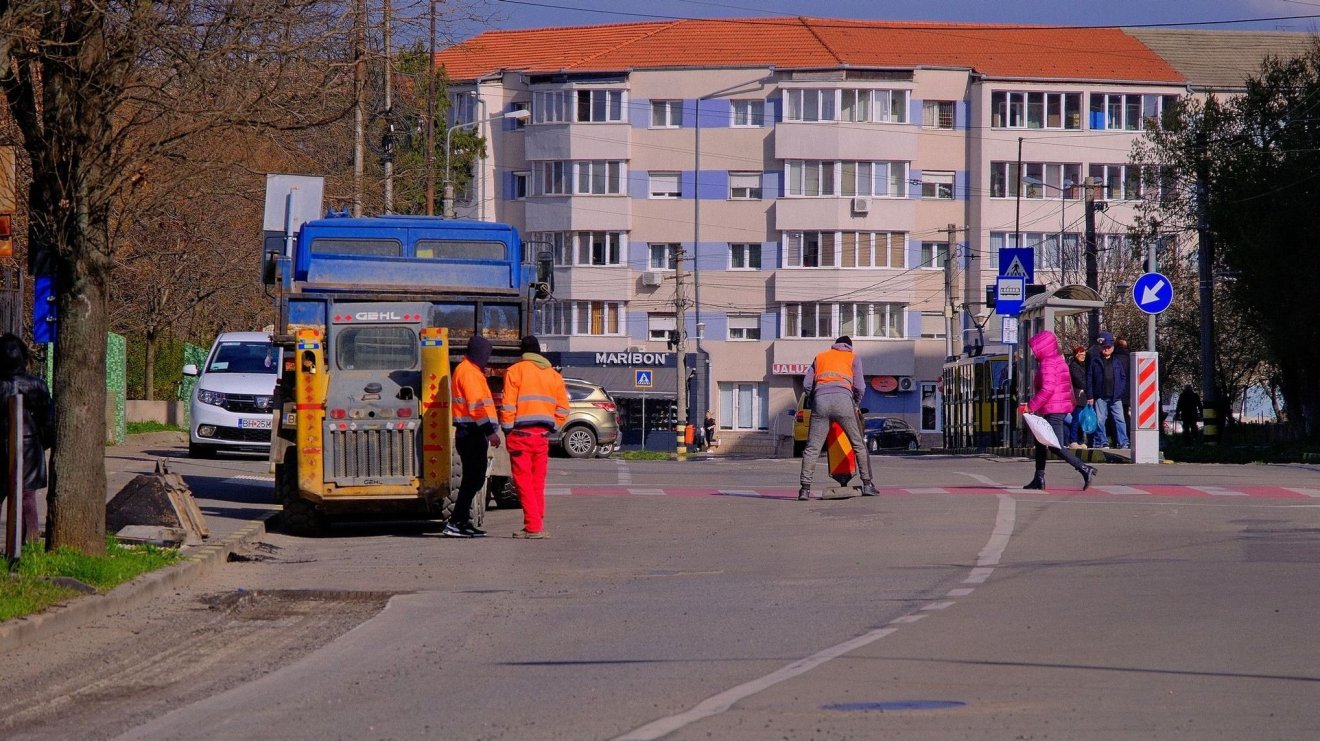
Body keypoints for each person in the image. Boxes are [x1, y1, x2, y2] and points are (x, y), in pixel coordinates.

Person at [499, 335, 568, 539]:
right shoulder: (554, 375)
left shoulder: (515, 371)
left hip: (520, 434)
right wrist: (553, 426)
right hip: (542, 436)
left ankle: (533, 527)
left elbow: (508, 404)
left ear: (523, 352)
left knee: (523, 483)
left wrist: (507, 428)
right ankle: (537, 522)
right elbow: (564, 408)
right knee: (537, 482)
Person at [797, 336, 878, 500]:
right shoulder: (853, 357)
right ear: (850, 346)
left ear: (835, 345)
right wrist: (854, 403)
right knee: (858, 444)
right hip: (844, 401)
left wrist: (814, 398)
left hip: (820, 401)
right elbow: (860, 386)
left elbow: (806, 384)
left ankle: (804, 489)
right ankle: (868, 484)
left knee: (812, 448)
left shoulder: (820, 357)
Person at [1019, 330, 1096, 491]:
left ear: (1043, 347)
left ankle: (1084, 468)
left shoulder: (1048, 363)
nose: (1034, 352)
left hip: (1054, 409)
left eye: (1035, 349)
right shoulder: (1057, 360)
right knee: (1040, 442)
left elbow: (1047, 388)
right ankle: (1038, 478)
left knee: (1055, 446)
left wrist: (1031, 406)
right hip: (1054, 407)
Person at [443, 335, 500, 538]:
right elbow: (476, 407)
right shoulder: (469, 373)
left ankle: (460, 522)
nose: (487, 357)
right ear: (479, 353)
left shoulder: (469, 371)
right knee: (473, 479)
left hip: (470, 432)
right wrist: (490, 432)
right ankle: (456, 522)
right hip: (471, 433)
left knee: (473, 479)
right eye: (486, 353)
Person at [0, 334, 53, 544]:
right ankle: (29, 544)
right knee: (27, 498)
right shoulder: (37, 385)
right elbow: (47, 422)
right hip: (29, 447)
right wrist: (41, 443)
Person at [1085, 331, 1130, 449]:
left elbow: (1122, 377)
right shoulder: (1094, 361)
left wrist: (1120, 391)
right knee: (1100, 420)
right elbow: (1089, 378)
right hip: (1100, 396)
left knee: (1120, 420)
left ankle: (1124, 442)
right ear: (1100, 347)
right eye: (1104, 347)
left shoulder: (1117, 361)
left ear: (1113, 347)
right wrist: (1090, 395)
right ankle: (1102, 441)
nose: (1106, 349)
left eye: (1108, 347)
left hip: (1115, 397)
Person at [1067, 345, 1089, 449]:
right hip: (1078, 396)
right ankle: (1074, 440)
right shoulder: (1074, 366)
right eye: (1081, 354)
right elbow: (1078, 380)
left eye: (1084, 354)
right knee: (1077, 419)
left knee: (1083, 419)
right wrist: (1089, 386)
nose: (1083, 356)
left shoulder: (1084, 365)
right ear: (1076, 355)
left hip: (1084, 396)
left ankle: (1081, 440)